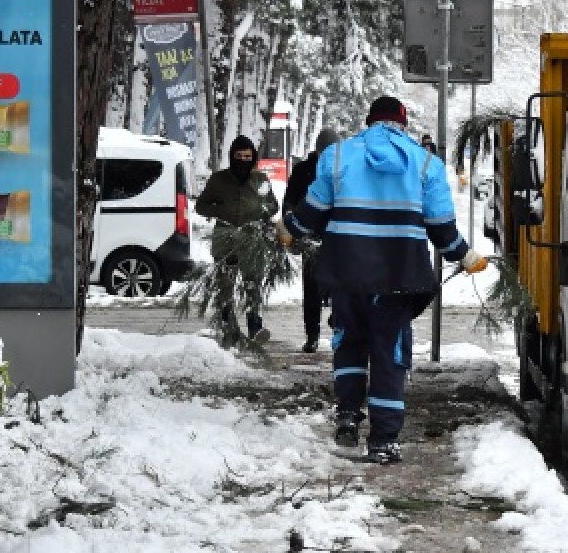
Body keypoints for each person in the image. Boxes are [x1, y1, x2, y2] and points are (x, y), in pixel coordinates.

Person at [281, 96, 488, 464]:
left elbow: (311, 213)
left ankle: (347, 415)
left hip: (346, 273)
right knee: (390, 354)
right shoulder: (426, 164)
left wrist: (289, 230)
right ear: (402, 124)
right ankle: (383, 441)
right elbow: (441, 229)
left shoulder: (339, 156)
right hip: (398, 277)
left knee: (348, 343)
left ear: (370, 120)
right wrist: (466, 256)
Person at [195, 135, 280, 346]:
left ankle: (255, 326)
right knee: (226, 286)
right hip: (225, 240)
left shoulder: (260, 180)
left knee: (253, 285)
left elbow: (273, 206)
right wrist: (220, 210)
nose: (243, 160)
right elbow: (201, 206)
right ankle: (228, 326)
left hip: (251, 240)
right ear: (232, 156)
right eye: (239, 156)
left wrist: (262, 211)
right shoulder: (218, 180)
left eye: (248, 156)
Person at [282, 128, 343, 353]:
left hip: (337, 238)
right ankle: (312, 334)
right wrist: (291, 221)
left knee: (339, 287)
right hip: (310, 237)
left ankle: (338, 325)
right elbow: (289, 200)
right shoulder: (302, 171)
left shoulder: (343, 170)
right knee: (311, 290)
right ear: (317, 150)